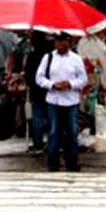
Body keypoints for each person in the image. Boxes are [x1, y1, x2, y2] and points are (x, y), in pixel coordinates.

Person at [35, 31, 87, 172]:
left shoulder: (76, 59)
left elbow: (83, 79)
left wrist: (70, 84)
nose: (58, 44)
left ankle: (72, 162)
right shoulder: (49, 57)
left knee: (72, 133)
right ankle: (53, 163)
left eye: (61, 41)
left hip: (71, 101)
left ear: (68, 42)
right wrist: (52, 85)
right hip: (54, 100)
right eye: (56, 41)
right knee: (53, 132)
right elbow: (39, 78)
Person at [23, 31, 52, 153]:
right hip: (50, 91)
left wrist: (31, 84)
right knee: (51, 118)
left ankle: (37, 144)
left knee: (37, 118)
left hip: (36, 91)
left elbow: (28, 74)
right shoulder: (50, 55)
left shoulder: (32, 56)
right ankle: (53, 142)